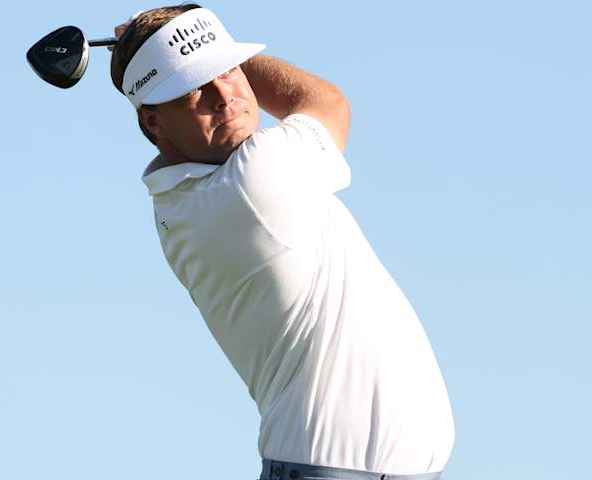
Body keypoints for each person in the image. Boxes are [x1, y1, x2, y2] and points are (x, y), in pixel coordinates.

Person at [110, 4, 455, 479]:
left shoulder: (179, 199)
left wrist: (186, 49)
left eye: (227, 72)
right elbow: (328, 101)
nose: (224, 97)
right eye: (193, 87)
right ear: (153, 122)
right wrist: (206, 46)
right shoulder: (251, 183)